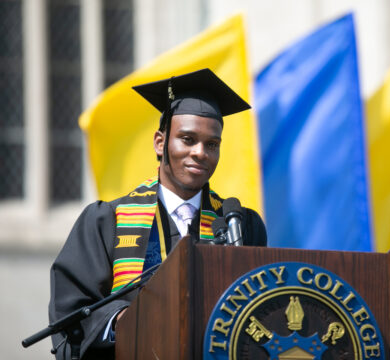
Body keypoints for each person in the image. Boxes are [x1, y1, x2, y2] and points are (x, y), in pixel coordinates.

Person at [49, 68, 267, 359]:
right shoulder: (107, 221)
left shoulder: (240, 224)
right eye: (188, 139)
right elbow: (72, 311)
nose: (201, 152)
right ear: (160, 143)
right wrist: (125, 321)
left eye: (212, 144)